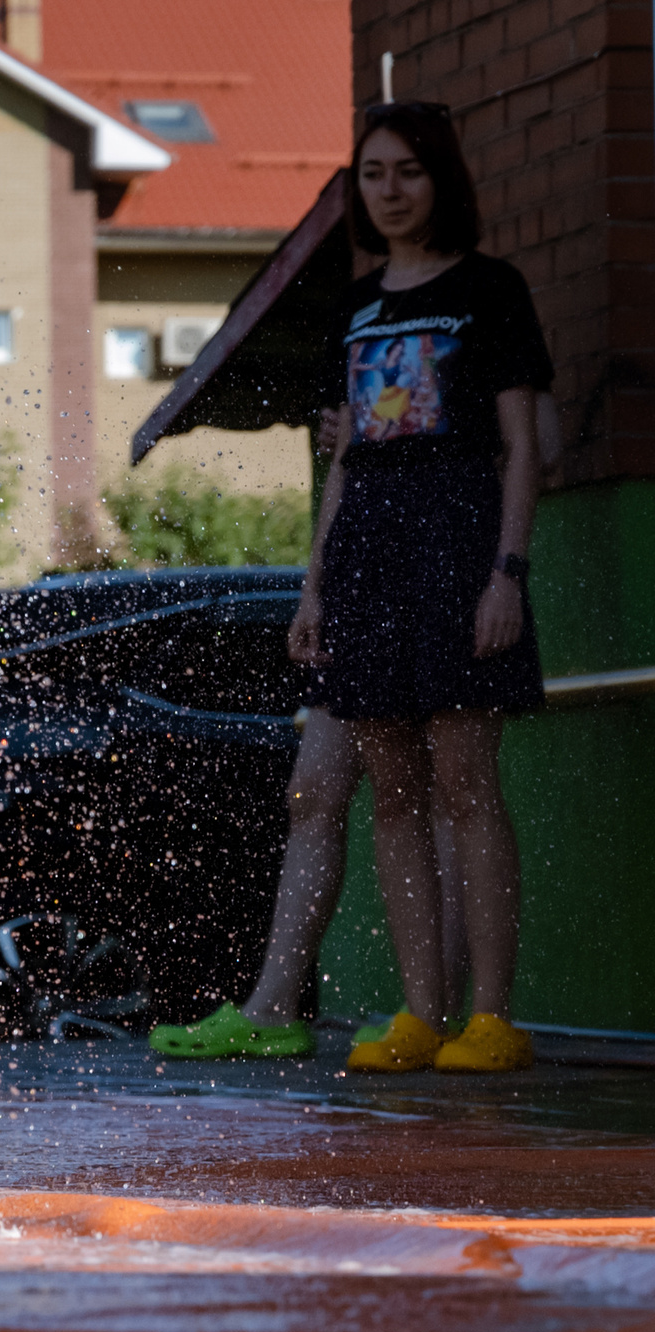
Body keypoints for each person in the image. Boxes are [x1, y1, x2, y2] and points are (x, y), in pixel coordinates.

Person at [288, 102, 551, 1075]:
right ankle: (420, 1014)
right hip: (365, 565)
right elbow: (346, 463)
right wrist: (313, 590)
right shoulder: (354, 306)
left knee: (465, 785)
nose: (388, 191)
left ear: (439, 179)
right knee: (390, 795)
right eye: (370, 175)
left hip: (459, 552)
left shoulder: (491, 289)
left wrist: (507, 573)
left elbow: (523, 448)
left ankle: (489, 1018)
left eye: (405, 171)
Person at [150, 705, 466, 1060]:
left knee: (442, 789)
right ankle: (272, 1009)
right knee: (312, 792)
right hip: (359, 649)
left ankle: (438, 1010)